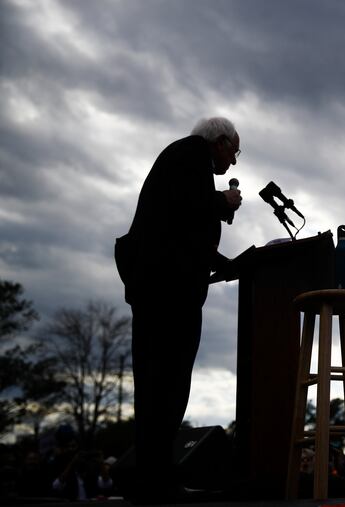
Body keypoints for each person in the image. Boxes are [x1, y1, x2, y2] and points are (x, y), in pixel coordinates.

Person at [118, 117, 242, 502]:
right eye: (234, 152)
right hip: (168, 292)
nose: (234, 163)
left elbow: (178, 228)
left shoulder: (184, 161)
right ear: (218, 142)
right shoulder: (190, 152)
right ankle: (155, 480)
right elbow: (190, 206)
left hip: (163, 288)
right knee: (165, 384)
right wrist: (223, 201)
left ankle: (153, 477)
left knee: (161, 385)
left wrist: (223, 262)